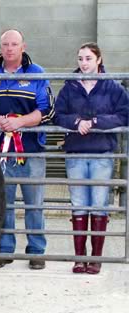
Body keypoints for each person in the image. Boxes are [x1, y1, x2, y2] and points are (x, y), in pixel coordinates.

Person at [0, 29, 55, 270]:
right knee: (2, 203)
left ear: (23, 46)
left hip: (31, 151)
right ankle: (4, 249)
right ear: (0, 46)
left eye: (14, 44)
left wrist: (20, 122)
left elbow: (46, 110)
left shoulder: (37, 74)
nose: (9, 48)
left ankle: (36, 251)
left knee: (34, 203)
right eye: (5, 44)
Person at [54, 42, 129, 274]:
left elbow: (124, 114)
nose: (83, 63)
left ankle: (95, 259)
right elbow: (57, 114)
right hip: (76, 152)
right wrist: (77, 122)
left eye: (88, 58)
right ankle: (79, 258)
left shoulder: (112, 87)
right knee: (78, 205)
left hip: (101, 154)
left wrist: (96, 123)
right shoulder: (69, 87)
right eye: (80, 58)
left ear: (98, 60)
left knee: (98, 203)